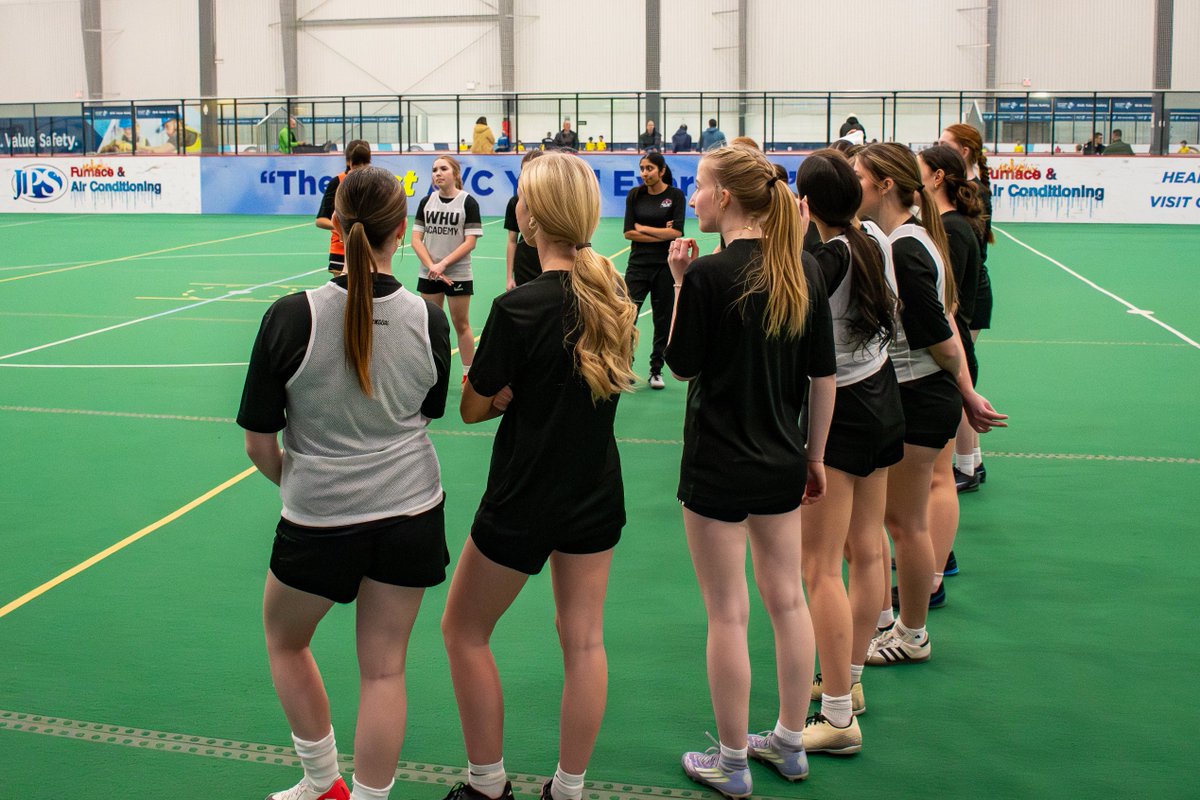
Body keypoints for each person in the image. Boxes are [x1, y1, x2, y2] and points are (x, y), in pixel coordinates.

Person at [238, 164, 452, 800]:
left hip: (319, 519)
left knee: (286, 643)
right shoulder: (429, 321)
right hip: (412, 512)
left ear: (335, 225)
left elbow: (259, 443)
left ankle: (321, 780)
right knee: (384, 673)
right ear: (402, 230)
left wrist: (304, 481)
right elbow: (429, 411)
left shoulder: (290, 316)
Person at [439, 150, 638, 800]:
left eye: (522, 197)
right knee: (583, 642)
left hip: (524, 496)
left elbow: (473, 407)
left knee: (463, 631)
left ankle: (487, 785)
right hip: (594, 492)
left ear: (533, 216)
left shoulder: (518, 308)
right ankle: (569, 789)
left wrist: (496, 394)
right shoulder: (614, 296)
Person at [664, 143, 836, 793]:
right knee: (787, 600)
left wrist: (680, 283)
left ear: (726, 197)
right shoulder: (802, 269)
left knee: (728, 613)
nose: (693, 197)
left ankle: (733, 761)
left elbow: (682, 364)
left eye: (700, 186)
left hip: (716, 467)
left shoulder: (709, 275)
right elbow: (824, 377)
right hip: (780, 462)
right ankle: (790, 743)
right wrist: (813, 455)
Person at [852, 143, 1005, 669]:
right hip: (918, 391)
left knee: (905, 524)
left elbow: (940, 334)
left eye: (859, 175)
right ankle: (899, 625)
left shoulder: (906, 248)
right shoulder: (908, 239)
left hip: (920, 395)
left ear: (885, 186)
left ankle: (912, 632)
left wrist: (963, 389)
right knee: (897, 520)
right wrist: (964, 389)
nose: (852, 182)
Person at [794, 149, 902, 756]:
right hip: (882, 394)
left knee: (819, 567)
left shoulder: (819, 261)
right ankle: (851, 678)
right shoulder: (874, 240)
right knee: (867, 547)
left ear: (806, 203)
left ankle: (837, 715)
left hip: (842, 411)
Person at [915, 144, 987, 611]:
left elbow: (947, 305)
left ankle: (936, 573)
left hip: (948, 354)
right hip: (945, 353)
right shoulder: (942, 226)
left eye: (920, 171)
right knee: (928, 480)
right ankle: (935, 555)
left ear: (937, 177)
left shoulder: (954, 229)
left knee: (938, 478)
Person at [939, 124, 996, 492]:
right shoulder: (971, 188)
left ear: (962, 151)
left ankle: (965, 466)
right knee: (962, 378)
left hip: (970, 294)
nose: (937, 146)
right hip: (973, 290)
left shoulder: (970, 193)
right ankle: (972, 460)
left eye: (944, 144)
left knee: (960, 380)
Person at [412, 155, 484, 384]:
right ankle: (430, 372)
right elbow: (415, 239)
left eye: (443, 169)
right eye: (434, 170)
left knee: (461, 324)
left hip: (457, 273)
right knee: (430, 324)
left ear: (455, 173)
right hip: (430, 273)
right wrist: (432, 266)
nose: (438, 173)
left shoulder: (468, 202)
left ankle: (468, 374)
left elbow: (470, 242)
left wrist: (443, 264)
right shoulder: (426, 202)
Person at [623, 152, 685, 389]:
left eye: (649, 168)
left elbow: (676, 232)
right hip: (637, 266)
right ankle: (625, 366)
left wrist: (644, 228)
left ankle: (656, 370)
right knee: (627, 317)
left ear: (661, 170)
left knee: (662, 320)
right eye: (642, 168)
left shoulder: (675, 196)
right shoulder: (635, 195)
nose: (645, 173)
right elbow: (628, 232)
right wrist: (661, 233)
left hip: (665, 267)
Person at [316, 140, 372, 274]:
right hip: (340, 249)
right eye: (357, 162)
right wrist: (343, 227)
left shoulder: (374, 183)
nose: (362, 167)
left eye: (365, 162)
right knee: (341, 286)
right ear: (349, 162)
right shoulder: (337, 182)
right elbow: (320, 220)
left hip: (368, 248)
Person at [503, 149, 546, 290]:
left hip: (551, 265)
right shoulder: (515, 202)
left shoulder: (555, 201)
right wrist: (509, 277)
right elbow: (512, 240)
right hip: (524, 267)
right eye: (525, 171)